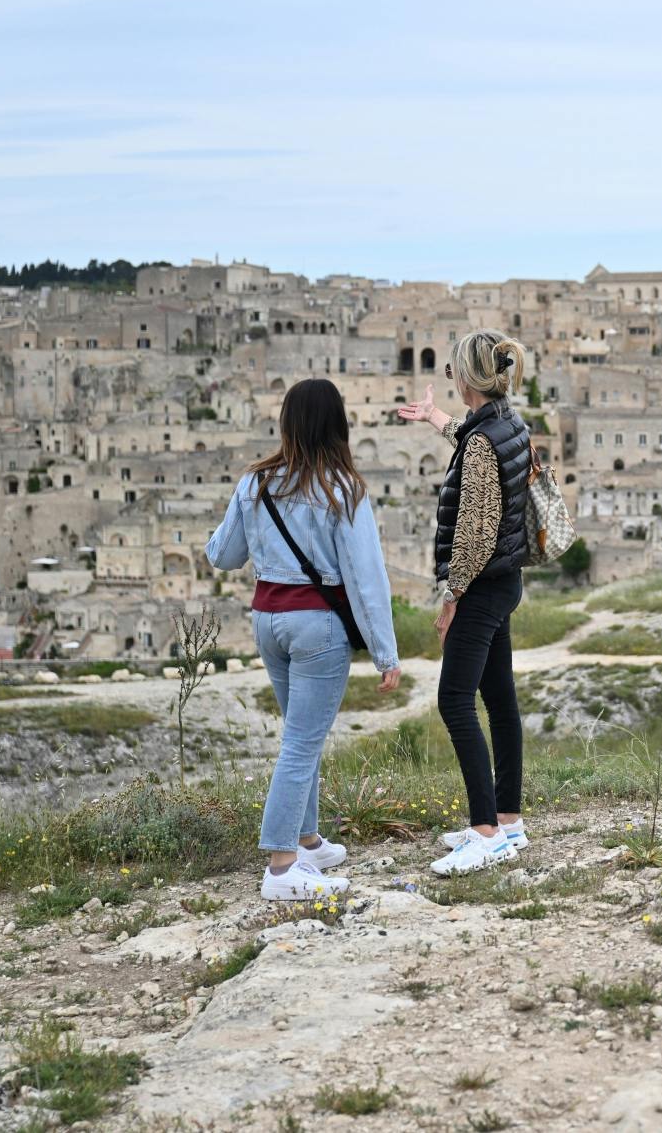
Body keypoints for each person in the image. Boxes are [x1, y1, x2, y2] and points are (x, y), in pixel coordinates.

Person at [207, 378, 401, 901]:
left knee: (300, 733)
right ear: (337, 423)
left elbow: (224, 555)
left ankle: (308, 840)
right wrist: (385, 652)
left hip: (267, 620)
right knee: (301, 742)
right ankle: (281, 865)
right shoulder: (343, 490)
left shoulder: (254, 483)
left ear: (287, 422)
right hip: (317, 626)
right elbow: (366, 577)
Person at [395, 330, 534, 875]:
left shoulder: (481, 442)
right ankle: (509, 820)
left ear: (466, 378)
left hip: (480, 585)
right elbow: (476, 444)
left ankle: (486, 832)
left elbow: (474, 531)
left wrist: (452, 595)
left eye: (452, 373)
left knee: (455, 700)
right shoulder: (508, 423)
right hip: (507, 579)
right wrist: (435, 421)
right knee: (499, 700)